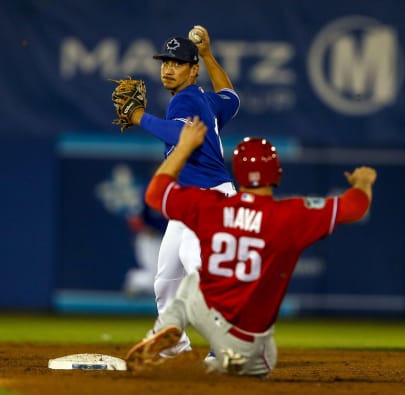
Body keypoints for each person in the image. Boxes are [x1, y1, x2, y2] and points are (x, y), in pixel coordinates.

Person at [125, 117, 377, 377]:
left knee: (190, 283)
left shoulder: (211, 205)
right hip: (249, 340)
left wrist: (184, 147)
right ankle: (221, 362)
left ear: (238, 172)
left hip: (205, 314)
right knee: (257, 361)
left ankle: (169, 327)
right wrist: (363, 183)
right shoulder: (291, 216)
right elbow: (355, 208)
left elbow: (156, 193)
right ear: (276, 172)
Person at [128, 26, 239, 356]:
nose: (168, 68)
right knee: (166, 280)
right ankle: (174, 341)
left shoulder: (185, 100)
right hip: (190, 201)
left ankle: (227, 344)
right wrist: (207, 55)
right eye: (165, 62)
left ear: (192, 71)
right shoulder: (205, 99)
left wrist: (137, 116)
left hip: (210, 199)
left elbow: (178, 135)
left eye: (177, 62)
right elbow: (231, 98)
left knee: (200, 270)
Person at [123, 200, 167, 296]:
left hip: (168, 240)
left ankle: (137, 283)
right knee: (159, 279)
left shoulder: (178, 191)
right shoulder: (148, 193)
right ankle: (135, 281)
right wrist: (143, 227)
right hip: (150, 240)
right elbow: (133, 218)